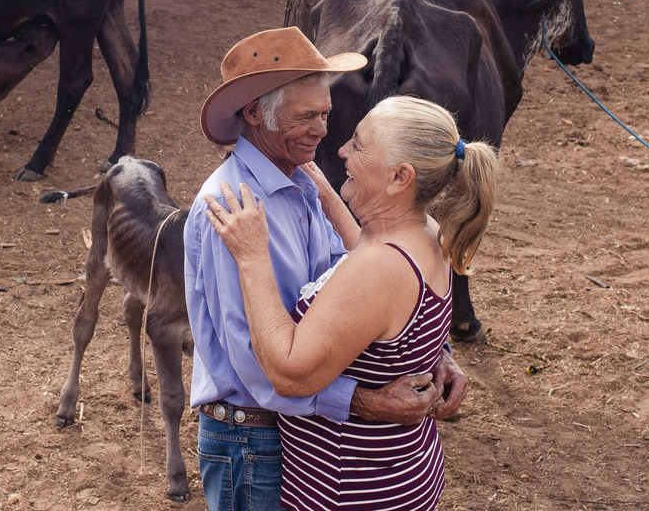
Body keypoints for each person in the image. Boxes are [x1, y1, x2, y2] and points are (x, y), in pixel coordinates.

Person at [185, 28, 470, 511]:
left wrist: (420, 352)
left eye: (325, 114)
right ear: (254, 112)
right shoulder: (231, 210)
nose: (324, 132)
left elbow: (357, 292)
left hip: (295, 440)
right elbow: (254, 364)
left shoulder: (303, 182)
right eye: (306, 117)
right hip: (253, 440)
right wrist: (361, 400)